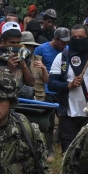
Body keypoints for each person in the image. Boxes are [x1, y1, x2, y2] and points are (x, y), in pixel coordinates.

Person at [48, 25, 88, 152]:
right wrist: (69, 85)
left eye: (81, 37)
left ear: (87, 38)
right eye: (74, 37)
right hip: (68, 114)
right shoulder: (62, 58)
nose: (78, 39)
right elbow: (52, 83)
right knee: (69, 153)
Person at [33, 27, 70, 160]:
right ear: (55, 39)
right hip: (47, 88)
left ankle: (62, 144)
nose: (64, 45)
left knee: (64, 117)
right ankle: (49, 149)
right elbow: (36, 71)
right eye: (62, 42)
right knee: (49, 120)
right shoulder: (41, 49)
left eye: (66, 42)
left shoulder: (67, 51)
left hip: (63, 88)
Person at [0, 21, 35, 88]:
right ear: (3, 42)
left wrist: (24, 66)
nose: (16, 46)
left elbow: (31, 83)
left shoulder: (23, 56)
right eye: (12, 43)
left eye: (18, 43)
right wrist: (8, 69)